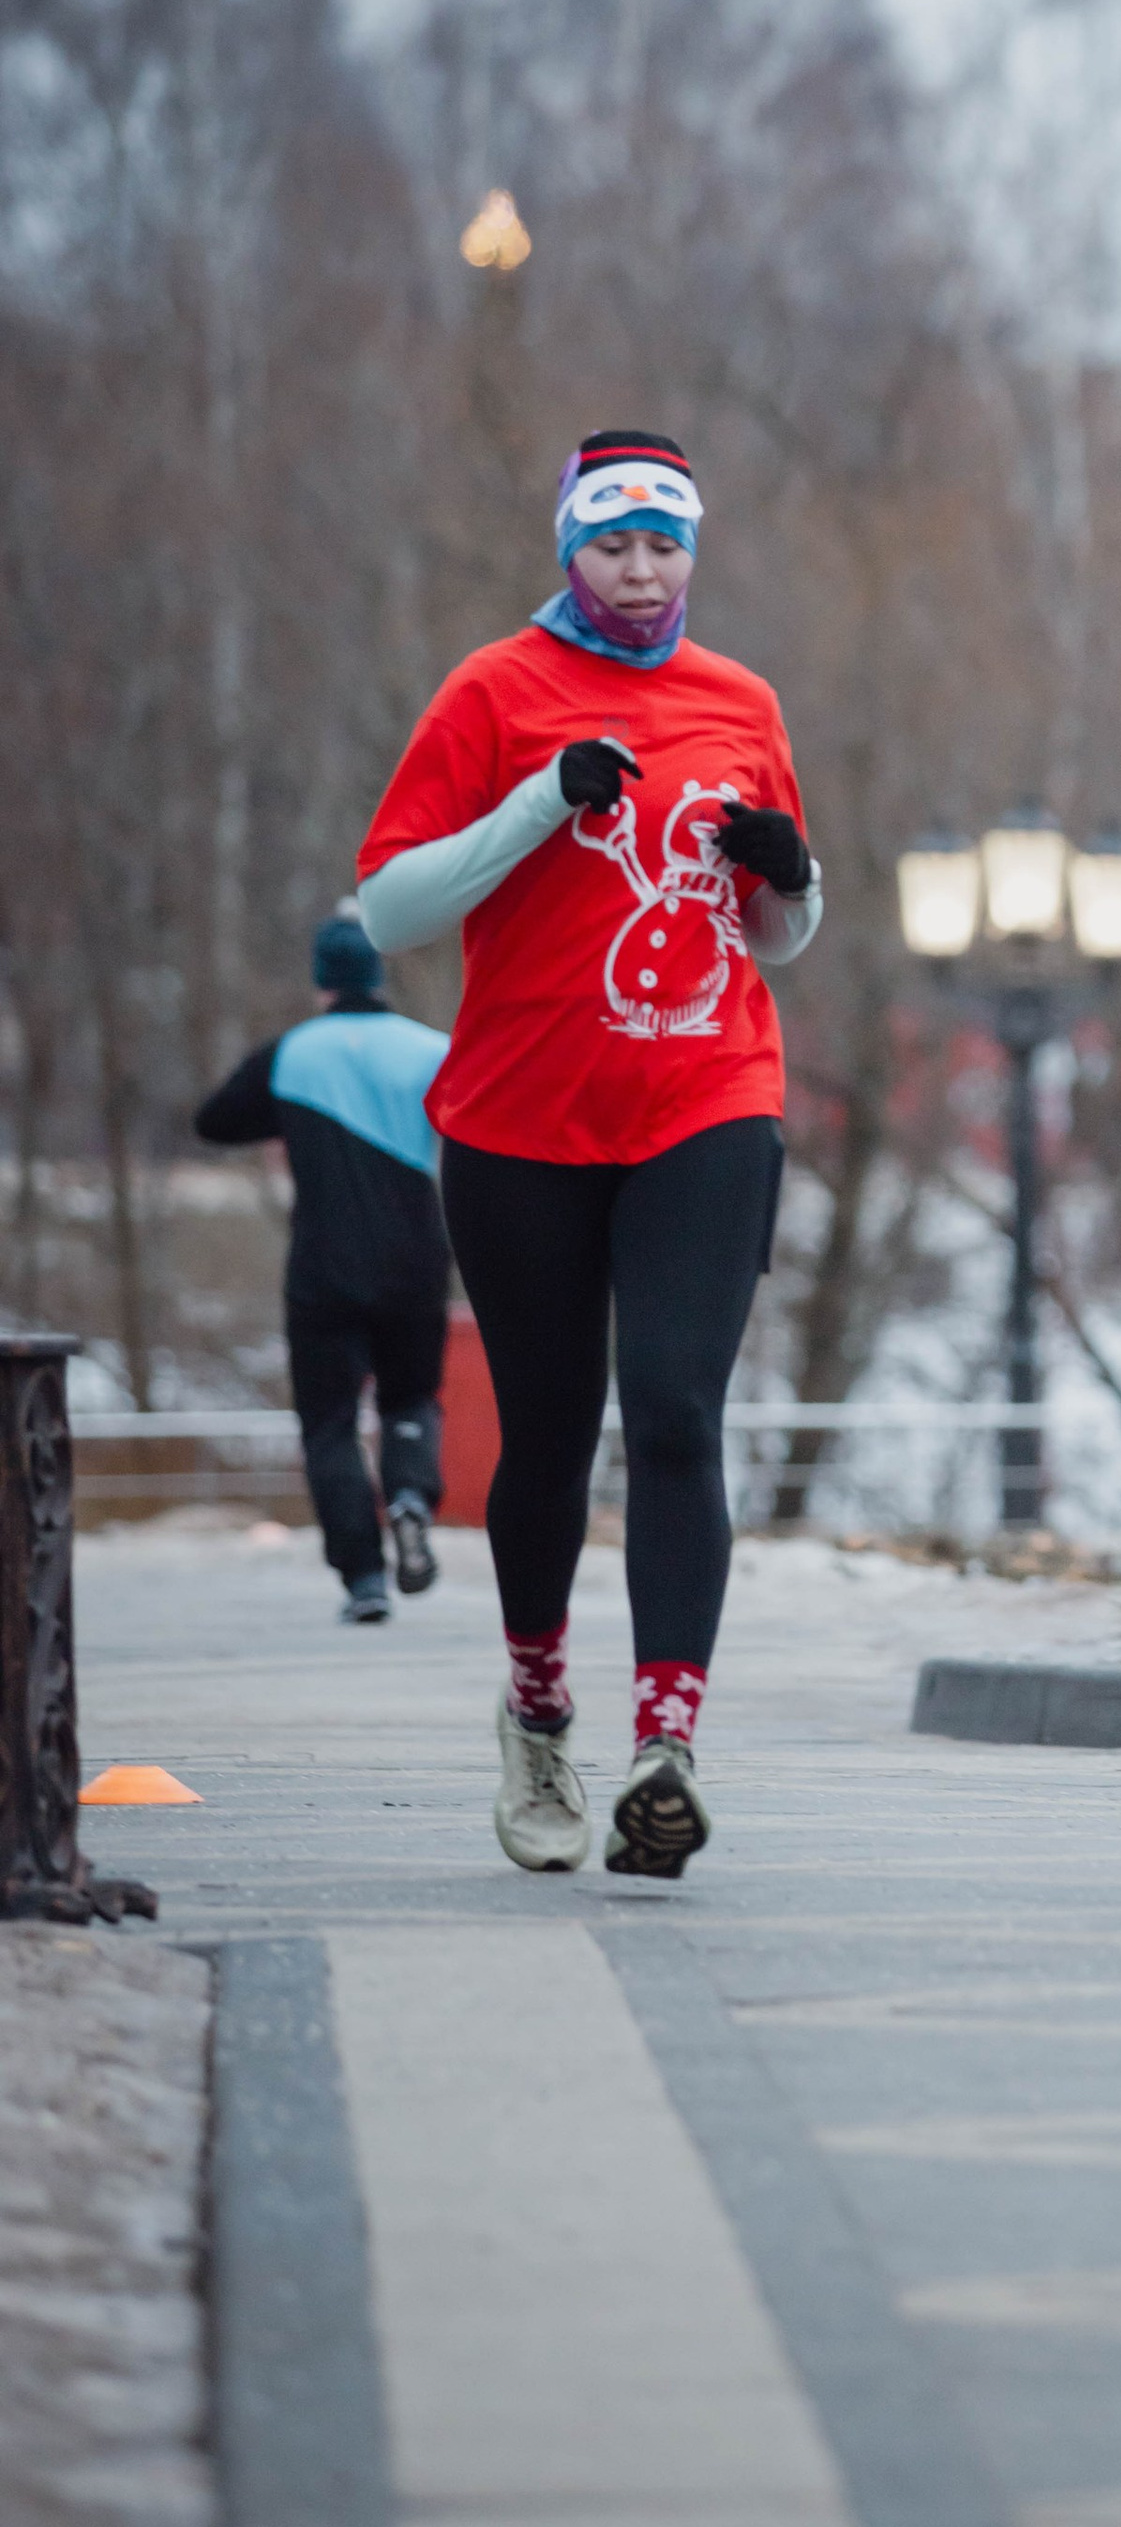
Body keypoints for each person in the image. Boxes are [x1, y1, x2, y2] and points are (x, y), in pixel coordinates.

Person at [355, 430, 822, 1882]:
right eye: (613, 542)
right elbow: (389, 910)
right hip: (518, 1121)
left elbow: (778, 933)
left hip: (707, 1093)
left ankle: (668, 1742)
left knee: (676, 1413)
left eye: (664, 542)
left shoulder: (738, 696)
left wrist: (792, 873)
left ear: (693, 551)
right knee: (548, 1440)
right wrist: (540, 802)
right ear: (571, 549)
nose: (640, 567)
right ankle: (541, 1706)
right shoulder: (494, 690)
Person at [194, 911, 452, 1624]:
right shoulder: (431, 1050)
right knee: (409, 1400)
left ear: (320, 984)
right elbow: (486, 1120)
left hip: (323, 1270)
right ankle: (408, 1498)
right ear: (379, 974)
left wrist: (294, 1116)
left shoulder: (293, 1056)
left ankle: (364, 1579)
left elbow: (213, 1122)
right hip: (415, 1262)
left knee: (330, 1424)